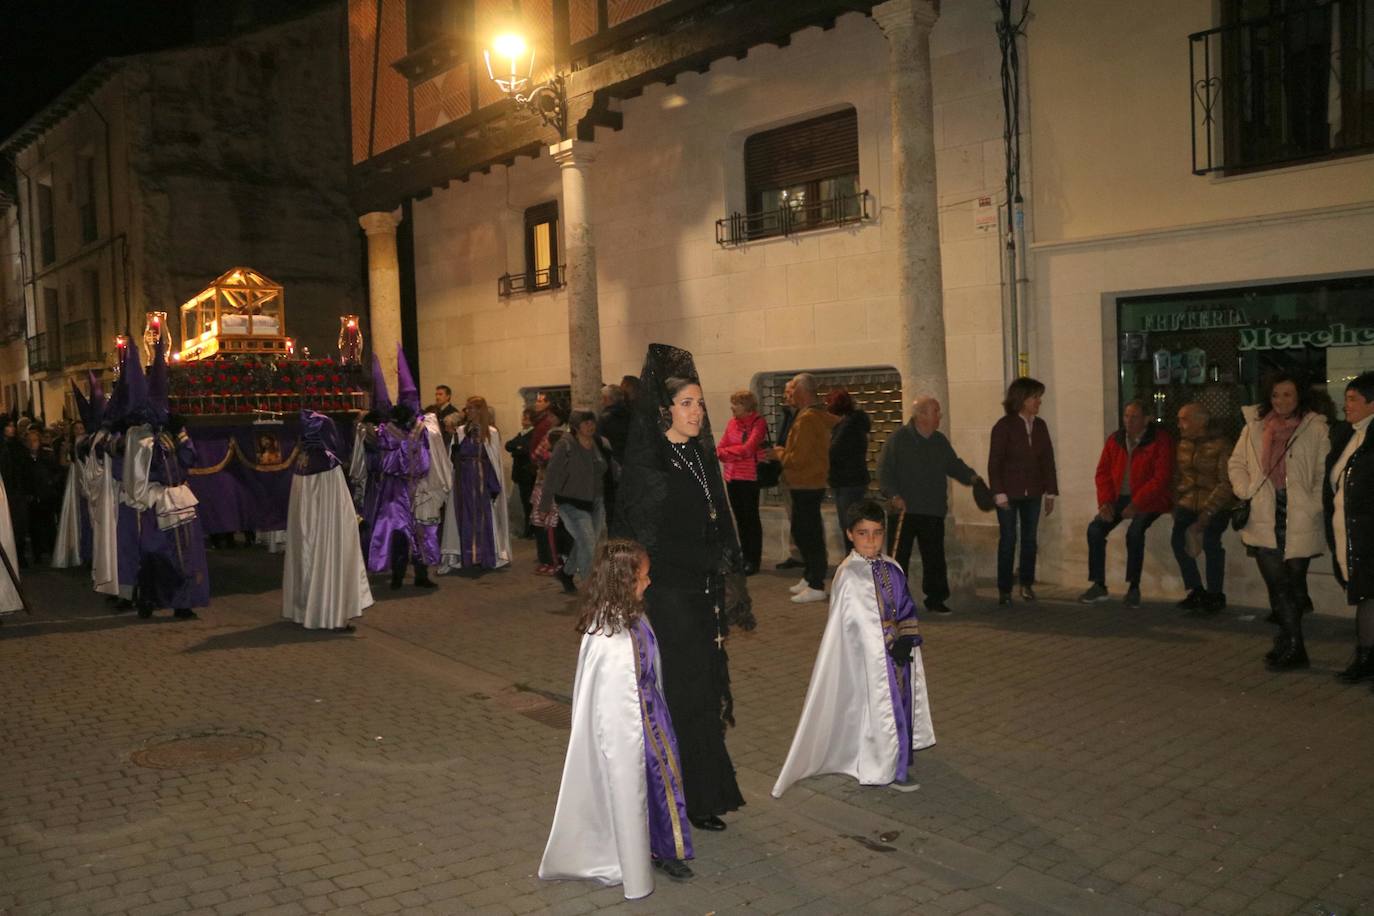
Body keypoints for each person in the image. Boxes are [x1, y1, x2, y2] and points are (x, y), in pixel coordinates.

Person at [613, 344, 747, 833]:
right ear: (664, 410)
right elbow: (645, 547)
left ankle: (705, 793)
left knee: (703, 694)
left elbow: (713, 520)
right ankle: (677, 795)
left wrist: (724, 559)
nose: (696, 412)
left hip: (701, 595)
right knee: (681, 695)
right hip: (668, 599)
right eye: (687, 404)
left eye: (700, 403)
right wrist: (704, 558)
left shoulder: (697, 455)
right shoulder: (652, 468)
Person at [539, 539, 694, 897]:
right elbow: (608, 703)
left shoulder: (633, 617)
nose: (649, 582)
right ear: (626, 581)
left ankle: (661, 847)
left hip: (652, 719)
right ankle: (634, 853)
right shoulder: (608, 636)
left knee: (662, 785)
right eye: (644, 576)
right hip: (630, 730)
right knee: (637, 789)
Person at [773, 499, 935, 797]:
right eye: (863, 533)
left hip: (898, 654)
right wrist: (886, 646)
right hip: (869, 660)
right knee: (880, 709)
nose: (871, 540)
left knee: (900, 704)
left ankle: (898, 757)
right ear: (850, 534)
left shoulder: (893, 566)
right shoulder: (849, 574)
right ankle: (885, 768)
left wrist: (907, 639)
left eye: (877, 532)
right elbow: (855, 625)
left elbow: (905, 607)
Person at [1230, 372, 1330, 670]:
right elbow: (1236, 463)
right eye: (1276, 395)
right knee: (1277, 585)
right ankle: (1294, 644)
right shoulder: (1255, 427)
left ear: (1299, 396)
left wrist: (1312, 504)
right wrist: (1246, 489)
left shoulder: (1315, 428)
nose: (1281, 401)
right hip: (1264, 514)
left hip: (1299, 515)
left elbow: (1323, 472)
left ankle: (1289, 641)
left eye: (1287, 394)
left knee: (1294, 584)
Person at [122, 339, 210, 620]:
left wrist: (181, 434)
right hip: (154, 500)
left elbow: (188, 460)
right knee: (154, 553)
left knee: (187, 554)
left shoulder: (172, 432)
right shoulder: (139, 437)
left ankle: (182, 603)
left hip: (179, 498)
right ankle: (148, 600)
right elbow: (139, 474)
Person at [878, 396, 980, 615]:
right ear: (921, 415)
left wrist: (971, 478)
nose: (939, 416)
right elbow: (884, 473)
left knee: (934, 557)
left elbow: (953, 464)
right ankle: (894, 602)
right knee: (898, 559)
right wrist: (893, 495)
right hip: (904, 510)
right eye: (936, 412)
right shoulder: (898, 439)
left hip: (932, 509)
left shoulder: (939, 441)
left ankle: (936, 599)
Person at [364, 349, 452, 591]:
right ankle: (399, 575)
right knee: (402, 533)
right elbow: (380, 453)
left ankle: (415, 575)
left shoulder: (416, 431)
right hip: (399, 489)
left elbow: (424, 458)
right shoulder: (391, 432)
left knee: (419, 532)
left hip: (411, 487)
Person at [283, 410, 374, 630]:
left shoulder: (301, 463)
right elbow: (340, 515)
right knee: (330, 553)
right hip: (327, 535)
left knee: (305, 554)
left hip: (309, 533)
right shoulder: (328, 466)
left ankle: (303, 609)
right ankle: (330, 612)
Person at [1080, 400, 1174, 608]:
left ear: (1147, 419)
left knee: (1135, 532)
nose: (1128, 421)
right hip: (1118, 498)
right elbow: (1102, 473)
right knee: (1095, 530)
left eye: (1134, 417)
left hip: (1150, 498)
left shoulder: (1160, 440)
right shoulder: (1116, 440)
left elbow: (1161, 478)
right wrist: (1105, 502)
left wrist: (1137, 503)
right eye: (1126, 416)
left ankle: (1133, 587)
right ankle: (1098, 584)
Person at [987, 377, 1058, 606]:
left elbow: (1048, 460)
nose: (1039, 402)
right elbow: (994, 463)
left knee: (1029, 540)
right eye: (1035, 397)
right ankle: (1004, 589)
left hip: (1033, 492)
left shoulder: (1040, 425)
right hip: (1008, 492)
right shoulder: (1004, 426)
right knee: (1008, 539)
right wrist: (999, 493)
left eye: (1039, 397)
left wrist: (1051, 492)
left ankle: (1026, 584)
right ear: (1022, 399)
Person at [1327, 371, 1374, 685]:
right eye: (1346, 399)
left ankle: (1366, 658)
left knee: (1369, 595)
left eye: (1353, 399)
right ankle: (1366, 657)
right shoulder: (1348, 433)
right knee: (1366, 594)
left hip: (1369, 533)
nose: (1346, 405)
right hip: (1353, 533)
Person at [775, 373, 837, 603]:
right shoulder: (812, 415)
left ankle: (816, 583)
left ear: (802, 392)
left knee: (809, 534)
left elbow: (798, 458)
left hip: (807, 483)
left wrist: (778, 453)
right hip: (806, 483)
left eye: (792, 389)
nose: (789, 394)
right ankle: (810, 575)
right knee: (803, 532)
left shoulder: (808, 418)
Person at [1170, 403, 1234, 614]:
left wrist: (1208, 511)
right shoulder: (1184, 444)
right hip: (1188, 502)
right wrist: (1176, 502)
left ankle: (1215, 594)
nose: (1179, 425)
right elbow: (1178, 476)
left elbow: (1226, 482)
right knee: (1178, 540)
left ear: (1201, 421)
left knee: (1210, 542)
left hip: (1216, 504)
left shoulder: (1221, 445)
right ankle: (1196, 589)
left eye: (1184, 419)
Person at [541, 409, 608, 594]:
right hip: (571, 502)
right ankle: (592, 588)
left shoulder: (597, 443)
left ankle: (566, 572)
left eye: (592, 422)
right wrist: (544, 505)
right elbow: (552, 475)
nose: (590, 426)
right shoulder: (565, 445)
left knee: (586, 542)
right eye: (586, 423)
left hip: (595, 500)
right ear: (576, 426)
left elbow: (605, 468)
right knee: (588, 543)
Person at [441, 396, 509, 574]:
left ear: (480, 410)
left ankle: (484, 555)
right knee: (463, 516)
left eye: (471, 408)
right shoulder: (461, 431)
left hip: (481, 481)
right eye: (467, 408)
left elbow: (494, 461)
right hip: (463, 480)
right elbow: (451, 458)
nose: (468, 412)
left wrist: (493, 484)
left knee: (484, 518)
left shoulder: (491, 433)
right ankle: (463, 556)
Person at [716, 390, 767, 576]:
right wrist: (731, 452)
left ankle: (754, 560)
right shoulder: (732, 423)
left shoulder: (758, 423)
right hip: (732, 477)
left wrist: (729, 452)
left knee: (751, 519)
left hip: (749, 478)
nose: (732, 408)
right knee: (740, 519)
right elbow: (719, 449)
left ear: (746, 406)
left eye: (735, 404)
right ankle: (744, 557)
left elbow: (748, 449)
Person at [827, 388, 870, 555]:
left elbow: (835, 451)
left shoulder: (848, 426)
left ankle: (855, 560)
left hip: (849, 481)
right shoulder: (852, 424)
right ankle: (853, 559)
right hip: (848, 480)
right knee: (850, 525)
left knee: (850, 525)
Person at [772, 378, 804, 571]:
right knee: (793, 516)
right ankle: (797, 553)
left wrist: (779, 453)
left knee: (803, 517)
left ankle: (807, 555)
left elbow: (799, 449)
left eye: (790, 393)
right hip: (787, 470)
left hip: (800, 475)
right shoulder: (789, 413)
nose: (786, 397)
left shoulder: (805, 416)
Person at [506, 408, 537, 537]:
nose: (523, 420)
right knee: (524, 504)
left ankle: (531, 530)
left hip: (528, 475)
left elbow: (526, 449)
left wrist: (517, 449)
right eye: (523, 417)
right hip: (520, 474)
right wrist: (517, 449)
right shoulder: (521, 434)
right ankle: (527, 529)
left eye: (526, 418)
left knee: (530, 504)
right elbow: (509, 445)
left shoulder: (533, 434)